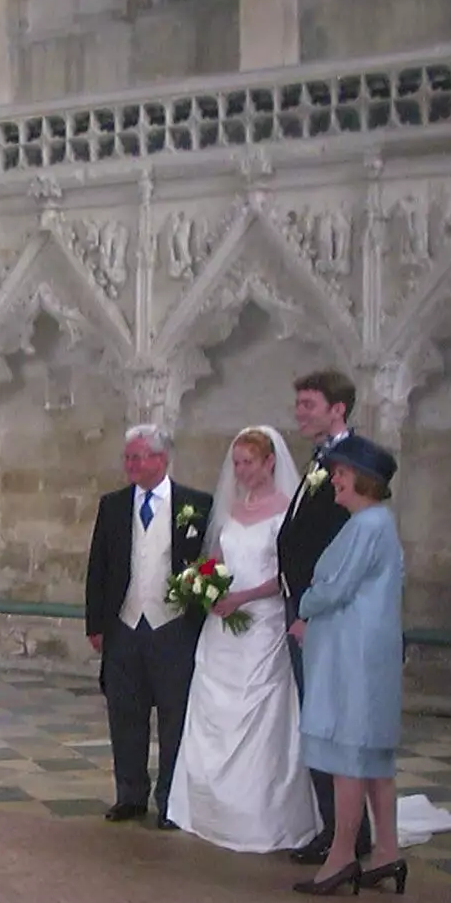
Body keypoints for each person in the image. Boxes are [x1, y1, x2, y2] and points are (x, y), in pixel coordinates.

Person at [165, 427, 320, 852]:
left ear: (270, 462)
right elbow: (217, 557)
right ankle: (205, 808)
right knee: (212, 707)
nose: (240, 470)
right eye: (235, 463)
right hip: (224, 625)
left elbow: (288, 575)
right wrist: (205, 585)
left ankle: (261, 815)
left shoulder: (287, 510)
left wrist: (244, 597)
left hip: (264, 624)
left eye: (248, 462)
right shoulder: (231, 507)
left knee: (263, 712)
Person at [292, 434, 408, 897]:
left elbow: (334, 588)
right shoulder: (379, 522)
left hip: (351, 657)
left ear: (363, 479)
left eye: (340, 473)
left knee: (348, 756)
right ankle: (388, 851)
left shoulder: (366, 525)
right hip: (366, 653)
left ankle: (342, 856)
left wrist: (303, 603)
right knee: (374, 757)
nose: (334, 479)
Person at [85, 424, 212, 829]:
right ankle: (130, 794)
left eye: (139, 457)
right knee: (125, 712)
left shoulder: (196, 504)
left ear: (162, 459)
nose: (131, 464)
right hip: (124, 623)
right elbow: (99, 566)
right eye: (128, 457)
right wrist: (96, 623)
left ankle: (170, 800)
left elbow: (210, 564)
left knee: (174, 717)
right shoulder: (113, 505)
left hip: (173, 625)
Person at [277, 369, 372, 865]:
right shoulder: (321, 461)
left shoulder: (350, 462)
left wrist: (313, 613)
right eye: (299, 404)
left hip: (323, 614)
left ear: (337, 409)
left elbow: (345, 547)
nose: (300, 413)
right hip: (303, 605)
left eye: (308, 404)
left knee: (329, 723)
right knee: (319, 722)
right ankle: (340, 829)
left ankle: (346, 836)